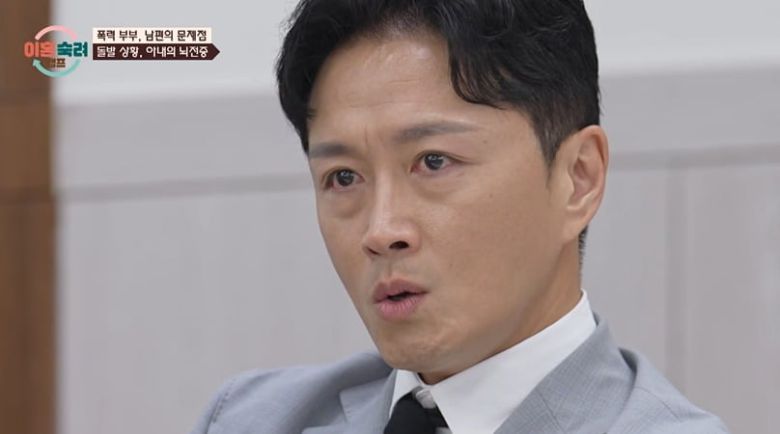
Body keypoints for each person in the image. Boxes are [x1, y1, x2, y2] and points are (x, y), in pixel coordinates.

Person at [192, 1, 730, 433]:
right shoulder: (249, 419)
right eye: (344, 177)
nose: (381, 231)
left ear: (578, 179)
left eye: (434, 162)